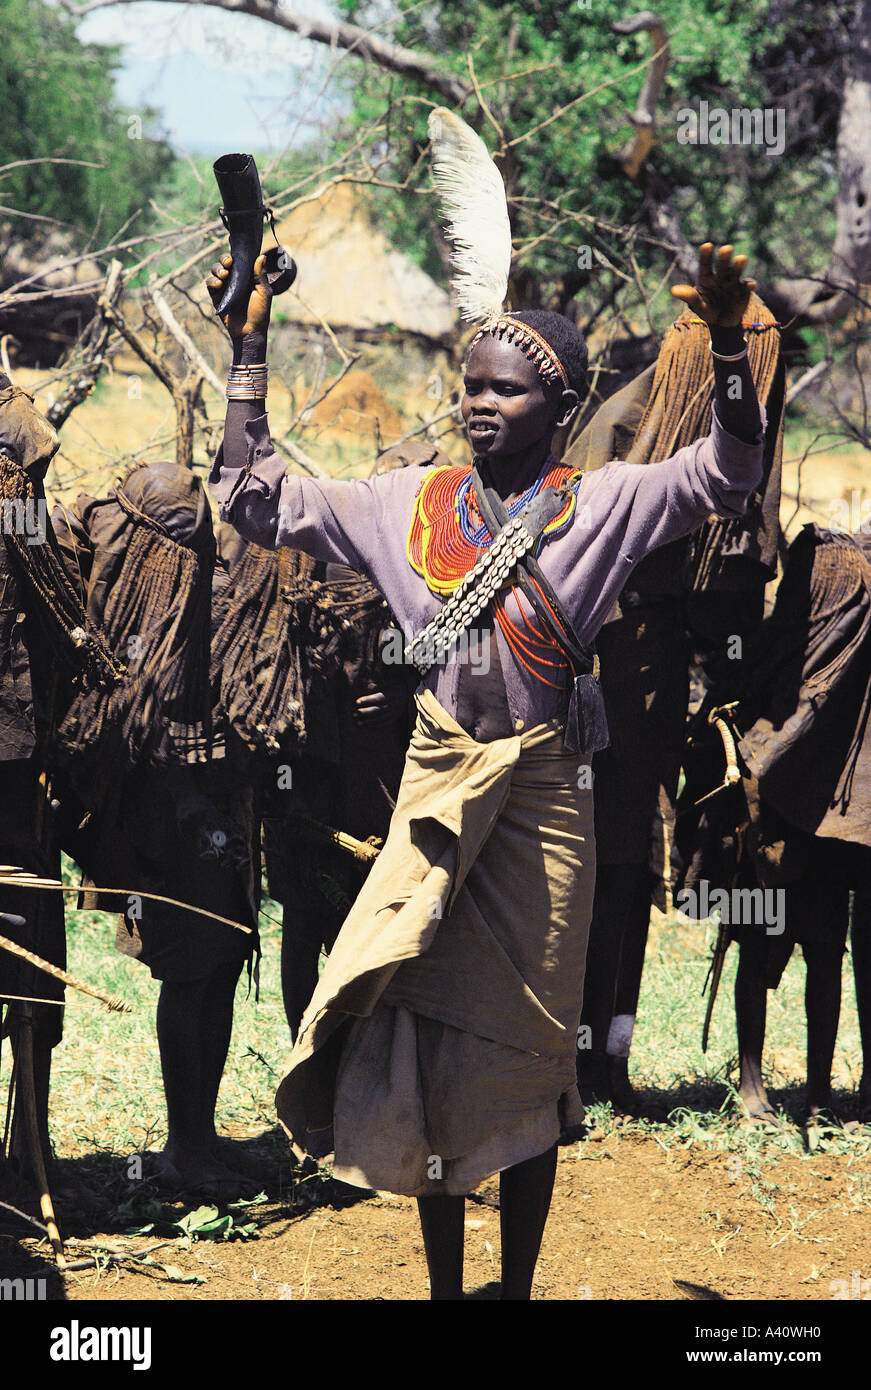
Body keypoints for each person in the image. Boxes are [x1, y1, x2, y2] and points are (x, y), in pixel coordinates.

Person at [208, 240, 765, 1299]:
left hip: (546, 796)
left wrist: (731, 348)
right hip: (435, 787)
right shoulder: (401, 503)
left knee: (530, 1049)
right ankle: (446, 1288)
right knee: (423, 1034)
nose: (477, 404)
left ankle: (513, 1287)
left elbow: (729, 472)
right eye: (468, 386)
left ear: (553, 406)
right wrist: (250, 334)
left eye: (503, 390)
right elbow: (252, 494)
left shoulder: (604, 504)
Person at [52, 461, 260, 1198]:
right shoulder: (119, 588)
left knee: (224, 959)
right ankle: (183, 1147)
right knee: (192, 968)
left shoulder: (202, 582)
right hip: (160, 815)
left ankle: (199, 1137)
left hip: (213, 805)